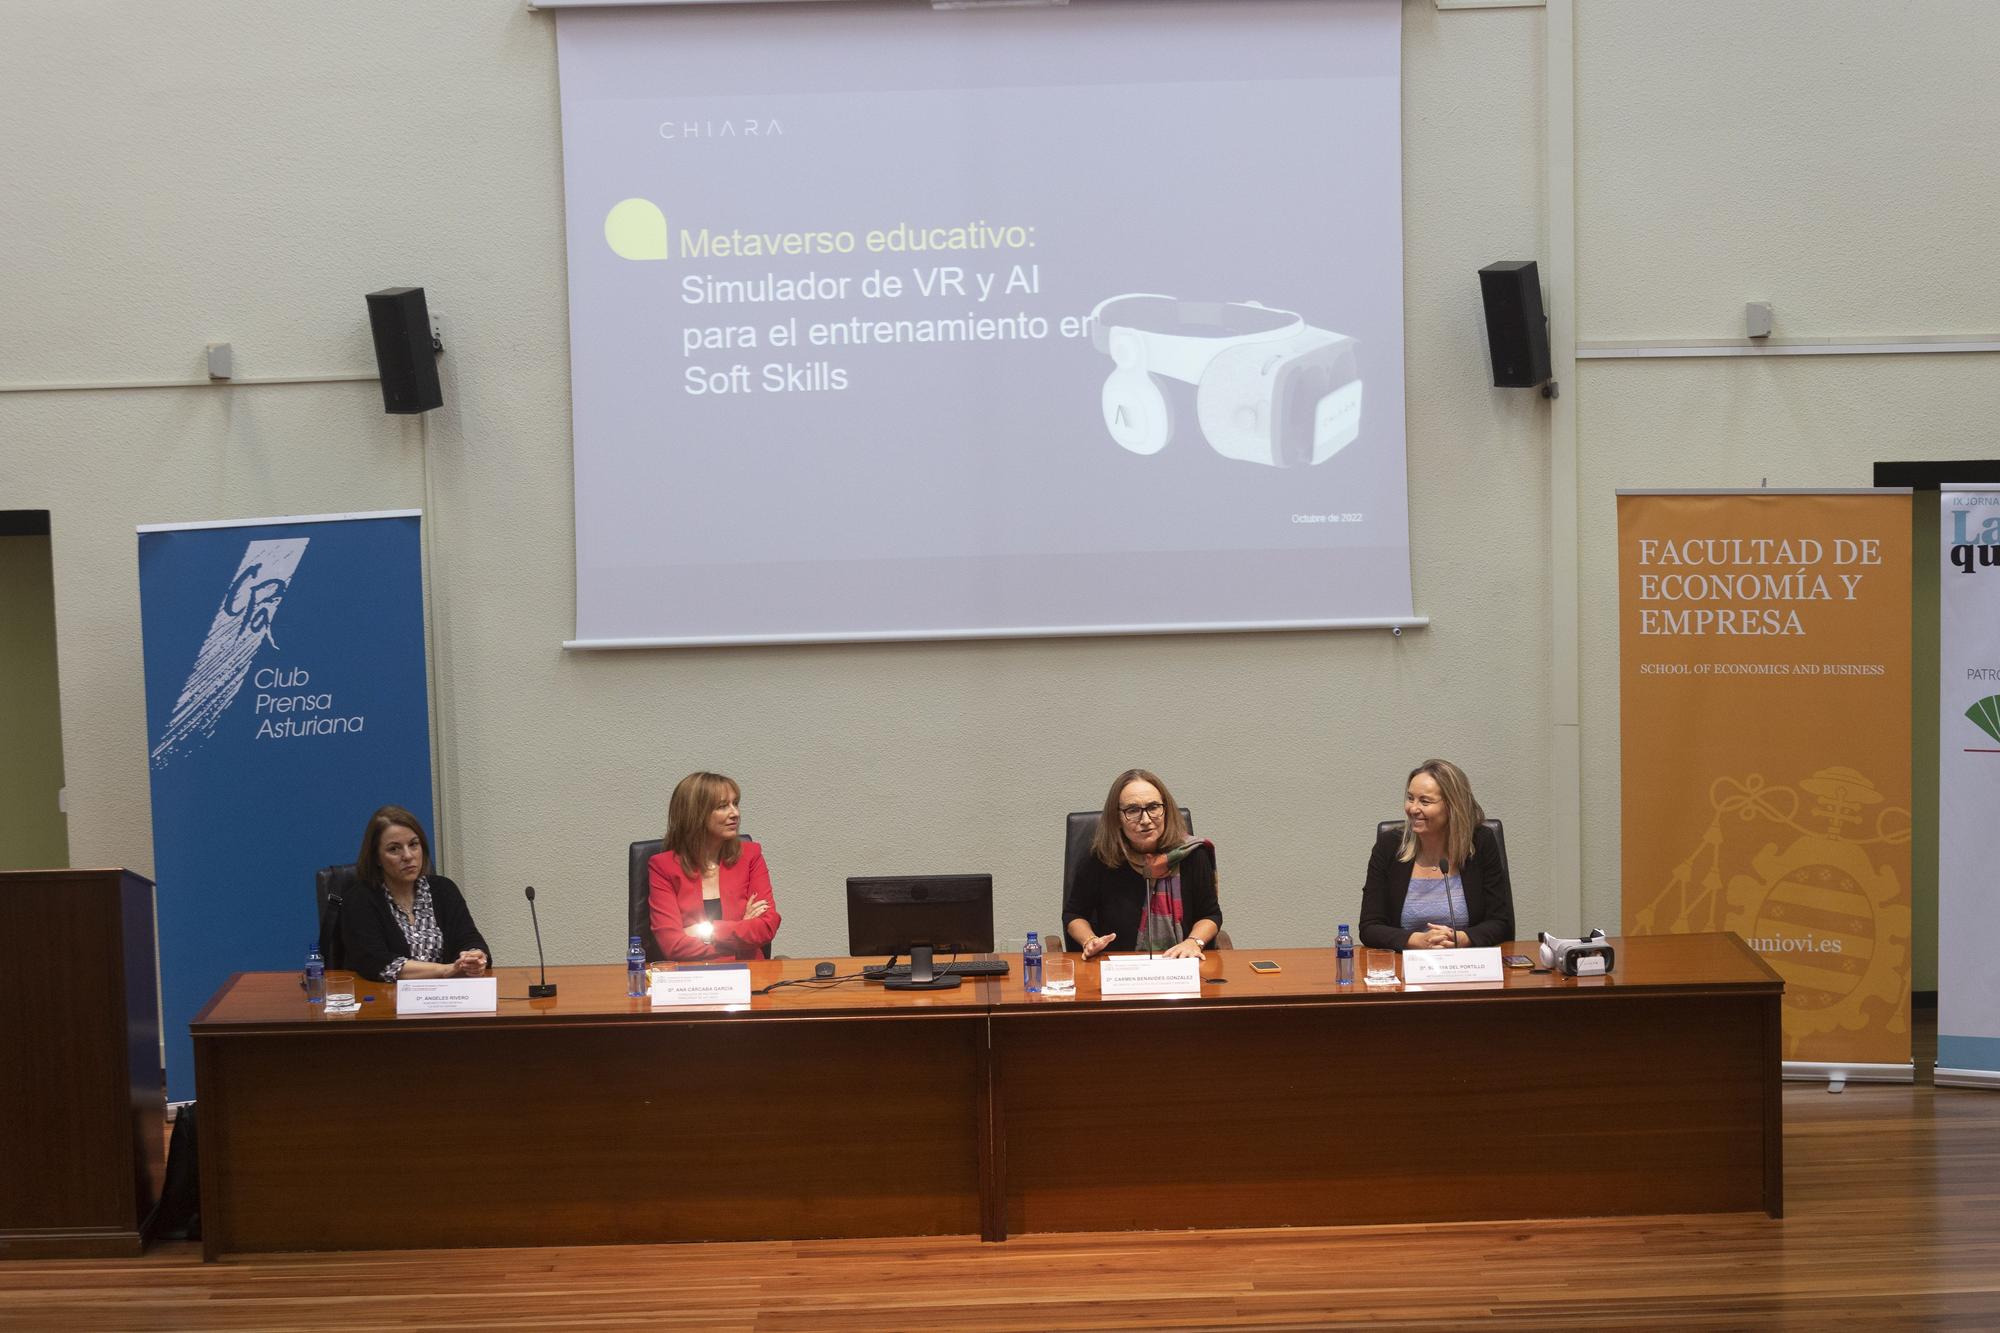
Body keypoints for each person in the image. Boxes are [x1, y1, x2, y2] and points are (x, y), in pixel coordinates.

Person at [1063, 768, 1220, 960]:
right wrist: (1089, 940)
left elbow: (1210, 914)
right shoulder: (1100, 859)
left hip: (1181, 967)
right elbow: (1074, 914)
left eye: (1153, 807)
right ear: (1117, 818)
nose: (1146, 820)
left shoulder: (1193, 855)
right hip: (1118, 970)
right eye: (1133, 810)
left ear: (1166, 810)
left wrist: (1193, 942)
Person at [1358, 759, 1515, 950]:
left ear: (1452, 806)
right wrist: (1418, 941)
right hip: (1407, 966)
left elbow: (1500, 922)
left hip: (1467, 965)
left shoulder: (1480, 842)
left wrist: (1461, 939)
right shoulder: (1390, 845)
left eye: (1425, 801)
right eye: (1410, 798)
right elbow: (1370, 927)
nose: (1413, 809)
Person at [341, 804, 491, 983]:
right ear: (376, 858)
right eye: (394, 849)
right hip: (388, 1001)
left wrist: (474, 957)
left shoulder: (444, 890)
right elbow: (375, 962)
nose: (408, 856)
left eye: (413, 844)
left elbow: (468, 937)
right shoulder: (360, 899)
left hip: (447, 999)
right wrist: (445, 970)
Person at [648, 771, 781, 961]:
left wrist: (708, 932)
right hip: (692, 979)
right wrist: (741, 930)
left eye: (735, 803)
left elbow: (767, 927)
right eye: (722, 806)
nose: (735, 813)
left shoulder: (750, 856)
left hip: (749, 974)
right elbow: (673, 946)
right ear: (695, 813)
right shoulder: (663, 867)